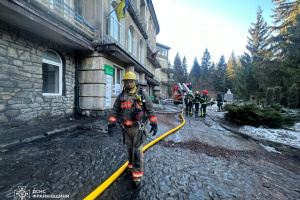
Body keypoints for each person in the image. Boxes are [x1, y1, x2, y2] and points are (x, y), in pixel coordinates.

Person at [108, 71, 158, 188]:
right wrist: (111, 124)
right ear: (124, 83)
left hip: (138, 129)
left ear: (135, 82)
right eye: (127, 81)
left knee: (137, 152)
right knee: (129, 150)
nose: (129, 83)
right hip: (126, 129)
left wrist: (154, 123)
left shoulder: (142, 94)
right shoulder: (121, 96)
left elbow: (150, 109)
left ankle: (137, 175)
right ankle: (131, 168)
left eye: (131, 81)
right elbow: (115, 110)